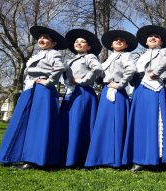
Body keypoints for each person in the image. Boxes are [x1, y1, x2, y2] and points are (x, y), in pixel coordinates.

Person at [0, 26, 67, 169]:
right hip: (30, 89)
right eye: (40, 37)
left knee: (38, 123)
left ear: (53, 43)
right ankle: (14, 155)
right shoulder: (37, 55)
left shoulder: (53, 54)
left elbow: (59, 68)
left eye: (46, 37)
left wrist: (48, 81)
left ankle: (34, 160)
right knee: (22, 120)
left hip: (42, 91)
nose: (41, 39)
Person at [122, 25, 166, 171]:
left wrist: (156, 71)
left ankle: (157, 158)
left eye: (156, 37)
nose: (153, 38)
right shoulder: (140, 57)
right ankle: (138, 159)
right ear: (146, 42)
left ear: (161, 42)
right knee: (140, 124)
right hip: (140, 90)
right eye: (150, 36)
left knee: (156, 122)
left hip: (156, 89)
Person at [85, 30, 137, 168]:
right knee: (103, 123)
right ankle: (101, 157)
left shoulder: (126, 56)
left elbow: (131, 70)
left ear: (126, 45)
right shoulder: (107, 59)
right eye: (116, 40)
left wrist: (121, 84)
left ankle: (116, 159)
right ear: (111, 44)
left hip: (117, 93)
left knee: (116, 123)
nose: (118, 41)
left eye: (122, 40)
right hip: (106, 92)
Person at [60, 29, 102, 167]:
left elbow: (97, 69)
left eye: (82, 42)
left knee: (80, 124)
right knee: (68, 122)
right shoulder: (70, 60)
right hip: (70, 93)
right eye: (76, 41)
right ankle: (65, 156)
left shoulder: (89, 57)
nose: (78, 43)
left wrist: (83, 80)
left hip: (83, 94)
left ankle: (80, 157)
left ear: (88, 47)